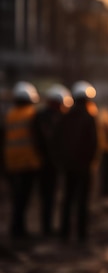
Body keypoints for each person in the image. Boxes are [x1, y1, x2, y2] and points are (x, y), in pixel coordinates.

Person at [57, 80, 99, 243]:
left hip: (68, 166)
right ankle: (82, 234)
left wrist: (62, 161)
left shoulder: (65, 117)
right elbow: (94, 143)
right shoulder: (90, 118)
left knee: (67, 199)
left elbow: (57, 141)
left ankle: (64, 233)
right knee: (82, 201)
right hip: (84, 167)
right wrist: (91, 162)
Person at [2, 81, 42, 239]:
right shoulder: (32, 115)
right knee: (23, 198)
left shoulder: (9, 116)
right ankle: (19, 229)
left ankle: (16, 227)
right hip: (28, 162)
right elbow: (39, 139)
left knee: (16, 198)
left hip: (11, 163)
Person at [33, 83, 73, 237]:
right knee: (52, 196)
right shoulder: (62, 119)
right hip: (54, 163)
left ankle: (45, 226)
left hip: (40, 162)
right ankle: (48, 228)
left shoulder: (38, 116)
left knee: (45, 197)